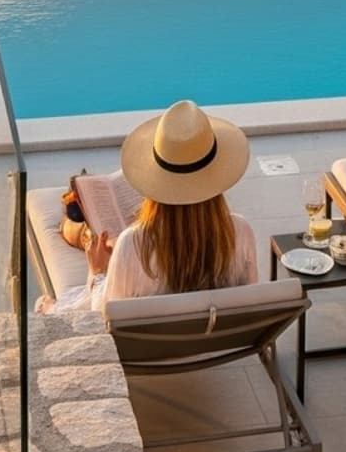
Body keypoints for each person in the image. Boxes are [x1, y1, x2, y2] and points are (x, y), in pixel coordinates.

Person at [85, 100, 260, 310]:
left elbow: (105, 316)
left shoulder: (134, 245)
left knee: (46, 304)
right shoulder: (238, 232)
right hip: (223, 342)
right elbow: (251, 304)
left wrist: (97, 272)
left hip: (151, 343)